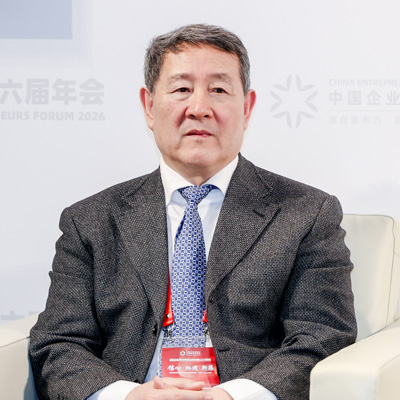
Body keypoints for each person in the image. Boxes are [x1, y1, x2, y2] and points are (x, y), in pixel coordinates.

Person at [29, 24, 357, 400]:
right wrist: (128, 396)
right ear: (149, 106)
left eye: (218, 90)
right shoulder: (91, 220)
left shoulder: (306, 214)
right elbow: (59, 343)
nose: (199, 109)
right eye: (182, 89)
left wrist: (233, 396)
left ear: (247, 108)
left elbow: (322, 336)